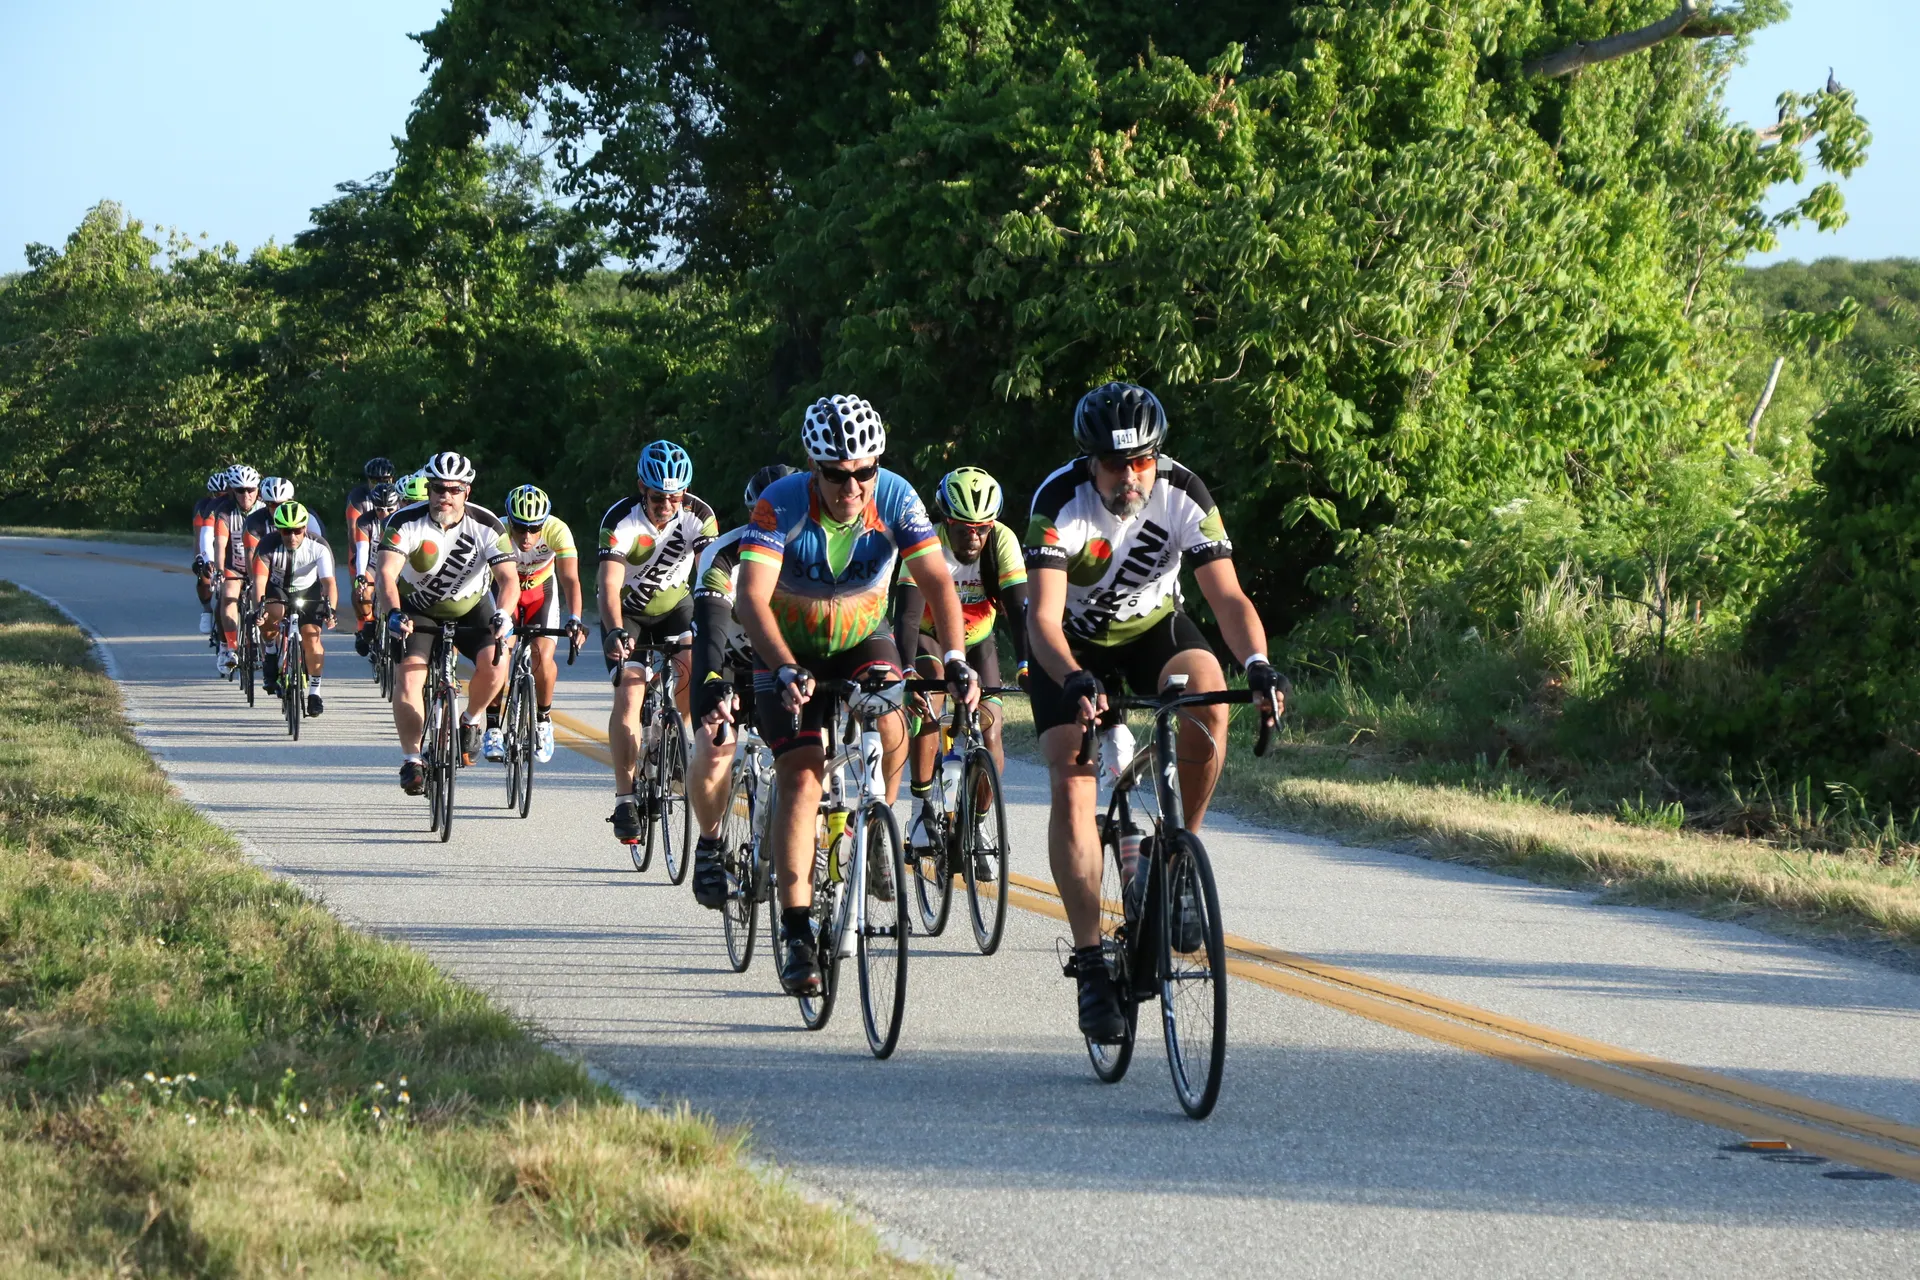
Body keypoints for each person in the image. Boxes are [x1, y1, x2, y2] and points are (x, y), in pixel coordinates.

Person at [1024, 382, 1284, 1042]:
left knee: (1206, 702)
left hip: (1152, 634)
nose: (1130, 475)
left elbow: (1226, 598)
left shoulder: (1183, 492)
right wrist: (1076, 679)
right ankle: (1089, 961)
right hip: (1070, 648)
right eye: (1116, 465)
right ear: (1090, 463)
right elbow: (1043, 619)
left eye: (1142, 460)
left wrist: (1257, 665)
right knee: (1072, 778)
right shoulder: (1059, 502)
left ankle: (1175, 862)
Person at [733, 395, 977, 995]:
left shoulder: (896, 496)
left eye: (863, 472)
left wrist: (954, 659)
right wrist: (785, 667)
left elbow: (938, 581)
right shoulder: (780, 504)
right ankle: (795, 931)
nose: (852, 485)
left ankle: (875, 825)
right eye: (838, 474)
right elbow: (749, 601)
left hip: (864, 635)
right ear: (815, 468)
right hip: (787, 648)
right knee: (802, 772)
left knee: (893, 718)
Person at [894, 465, 1030, 874]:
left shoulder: (1001, 542)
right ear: (946, 522)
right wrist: (907, 673)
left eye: (983, 528)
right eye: (964, 528)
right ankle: (921, 809)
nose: (974, 537)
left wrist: (1025, 665)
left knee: (991, 728)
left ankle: (978, 824)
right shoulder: (927, 543)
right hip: (930, 637)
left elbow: (1020, 610)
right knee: (929, 703)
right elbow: (907, 618)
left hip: (978, 639)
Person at [686, 462, 798, 909]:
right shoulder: (723, 556)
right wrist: (712, 681)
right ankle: (710, 846)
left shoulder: (813, 555)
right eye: (765, 519)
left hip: (781, 668)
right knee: (715, 749)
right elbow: (710, 628)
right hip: (729, 666)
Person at [375, 451, 520, 795]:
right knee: (410, 677)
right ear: (428, 488)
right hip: (418, 609)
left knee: (497, 664)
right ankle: (412, 759)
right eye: (438, 488)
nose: (445, 496)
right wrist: (394, 613)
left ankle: (470, 720)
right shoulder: (403, 521)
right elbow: (385, 574)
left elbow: (509, 579)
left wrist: (503, 614)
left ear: (466, 491)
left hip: (472, 606)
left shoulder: (487, 525)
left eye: (453, 490)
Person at [597, 440, 719, 842]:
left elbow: (708, 573)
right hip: (628, 614)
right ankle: (624, 797)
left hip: (675, 607)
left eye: (674, 496)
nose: (666, 504)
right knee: (630, 694)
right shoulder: (620, 520)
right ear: (641, 488)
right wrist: (615, 630)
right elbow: (610, 586)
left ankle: (674, 738)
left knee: (692, 665)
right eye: (656, 497)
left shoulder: (699, 515)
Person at [484, 484, 587, 763]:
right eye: (519, 528)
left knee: (542, 656)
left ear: (544, 523)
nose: (526, 537)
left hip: (540, 593)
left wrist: (575, 619)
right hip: (506, 592)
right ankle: (493, 727)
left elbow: (570, 580)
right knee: (499, 655)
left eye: (534, 528)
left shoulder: (558, 530)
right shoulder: (496, 531)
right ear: (509, 522)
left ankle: (543, 720)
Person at [248, 500, 338, 715]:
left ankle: (315, 693)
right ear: (278, 529)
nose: (292, 536)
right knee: (272, 615)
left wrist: (331, 609)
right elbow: (259, 582)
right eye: (286, 531)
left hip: (309, 590)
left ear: (304, 528)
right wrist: (259, 609)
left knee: (312, 638)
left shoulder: (319, 546)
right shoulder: (267, 546)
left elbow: (329, 583)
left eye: (297, 530)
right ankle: (271, 650)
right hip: (278, 588)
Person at [204, 465, 264, 675]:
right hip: (234, 566)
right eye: (240, 490)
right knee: (228, 597)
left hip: (260, 567)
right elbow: (220, 544)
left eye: (250, 489)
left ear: (258, 489)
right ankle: (229, 648)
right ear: (232, 491)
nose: (246, 495)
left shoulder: (266, 510)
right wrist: (219, 570)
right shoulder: (225, 512)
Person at [350, 481, 404, 656]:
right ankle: (369, 622)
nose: (384, 513)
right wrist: (360, 576)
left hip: (397, 565)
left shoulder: (403, 520)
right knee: (361, 591)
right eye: (379, 509)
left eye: (389, 509)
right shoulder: (365, 521)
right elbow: (362, 551)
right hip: (373, 564)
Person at [344, 458, 396, 637]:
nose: (379, 484)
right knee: (359, 590)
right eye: (374, 480)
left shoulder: (397, 497)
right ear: (368, 480)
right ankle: (363, 624)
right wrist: (359, 571)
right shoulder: (357, 498)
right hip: (363, 544)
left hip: (391, 554)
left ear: (392, 480)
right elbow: (353, 531)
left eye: (384, 480)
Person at [190, 469, 229, 635]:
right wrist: (202, 559)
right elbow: (200, 536)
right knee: (203, 573)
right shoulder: (204, 507)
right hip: (212, 544)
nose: (220, 497)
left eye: (225, 493)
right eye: (216, 494)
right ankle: (206, 609)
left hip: (232, 545)